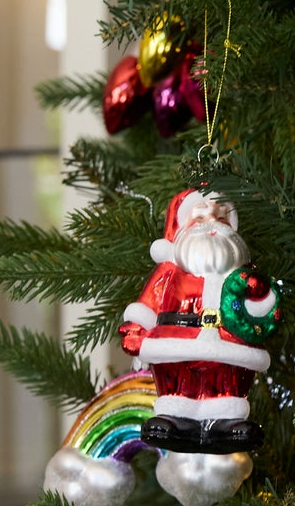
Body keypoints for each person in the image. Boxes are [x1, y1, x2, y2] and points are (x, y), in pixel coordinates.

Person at [120, 189, 280, 454]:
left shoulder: (242, 274)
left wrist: (258, 296)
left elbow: (262, 307)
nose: (212, 222)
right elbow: (147, 304)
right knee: (177, 387)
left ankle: (226, 424)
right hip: (175, 344)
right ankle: (176, 420)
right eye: (201, 215)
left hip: (230, 347)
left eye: (221, 216)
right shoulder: (169, 272)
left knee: (228, 386)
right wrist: (137, 328)